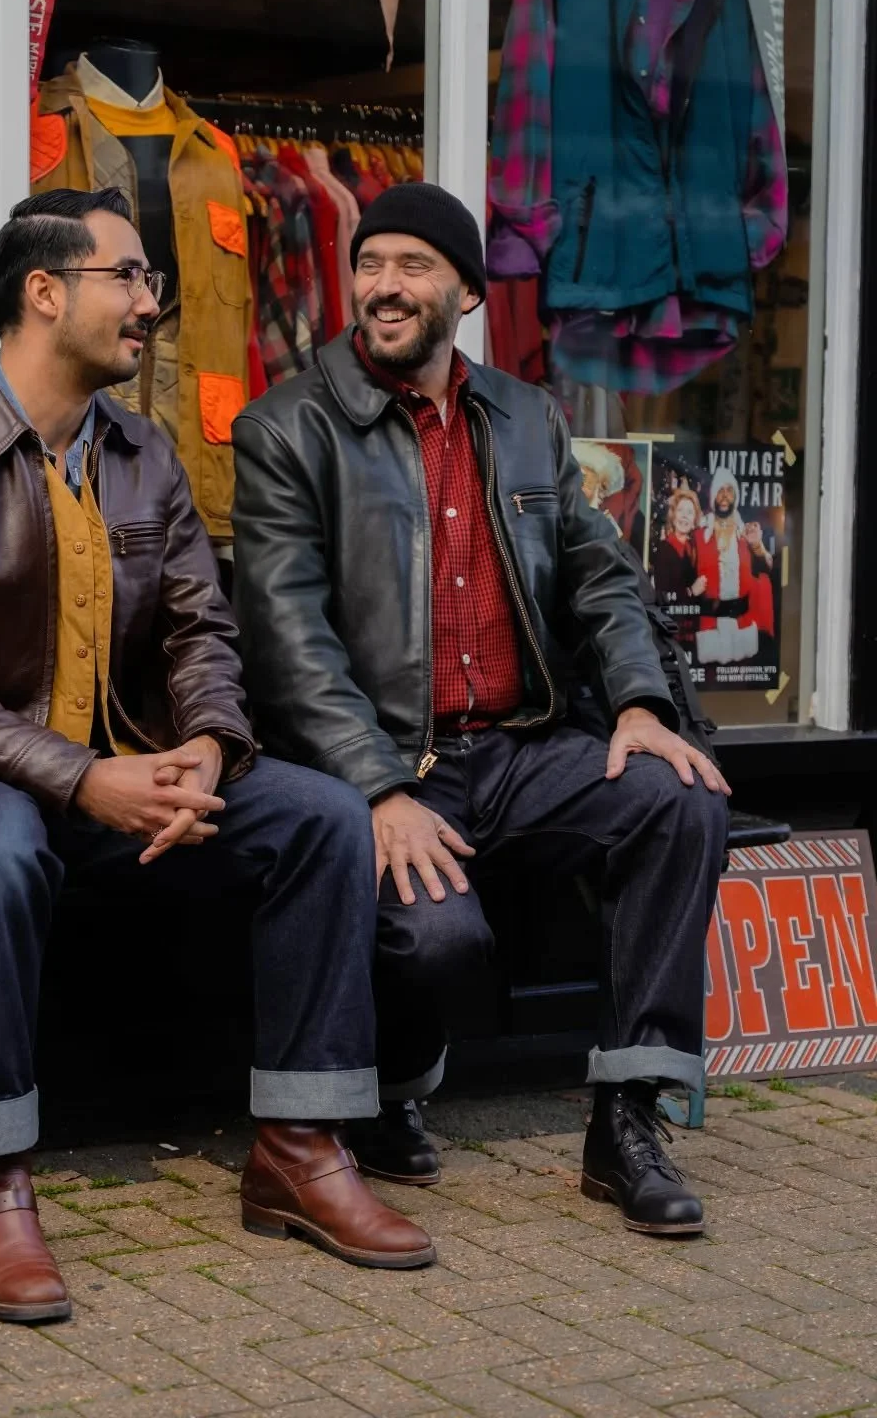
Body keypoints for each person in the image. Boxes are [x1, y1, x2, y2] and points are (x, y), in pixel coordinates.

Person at [0, 187, 435, 1325]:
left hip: (130, 777)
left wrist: (212, 747)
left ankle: (301, 1150)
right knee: (3, 843)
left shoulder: (140, 451)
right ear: (46, 292)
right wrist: (79, 777)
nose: (153, 306)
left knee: (316, 817)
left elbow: (198, 631)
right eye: (131, 279)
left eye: (153, 284)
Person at [231, 183, 730, 1237]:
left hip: (521, 748)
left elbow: (599, 577)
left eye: (414, 267)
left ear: (463, 291)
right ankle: (394, 1087)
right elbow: (288, 638)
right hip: (387, 760)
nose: (384, 287)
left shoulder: (525, 415)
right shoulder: (286, 427)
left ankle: (627, 1121)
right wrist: (372, 786)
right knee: (439, 941)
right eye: (370, 265)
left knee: (676, 798)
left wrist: (642, 703)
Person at [694, 468, 775, 667]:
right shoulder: (698, 534)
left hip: (743, 625)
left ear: (735, 496)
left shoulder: (746, 532)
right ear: (713, 496)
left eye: (729, 490)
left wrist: (757, 546)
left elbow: (768, 569)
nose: (724, 496)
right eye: (720, 490)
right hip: (710, 626)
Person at [653, 486, 706, 651]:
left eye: (689, 512)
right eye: (680, 510)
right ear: (673, 515)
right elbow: (662, 596)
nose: (684, 516)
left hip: (695, 630)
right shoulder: (664, 549)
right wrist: (691, 591)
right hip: (673, 632)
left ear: (695, 519)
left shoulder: (696, 549)